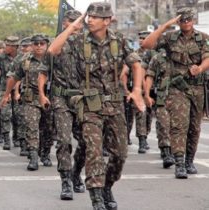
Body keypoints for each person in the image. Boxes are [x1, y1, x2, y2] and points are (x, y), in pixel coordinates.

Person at [48, 2, 145, 209]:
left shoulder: (118, 41)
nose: (90, 20)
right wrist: (73, 26)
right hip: (89, 106)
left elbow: (136, 65)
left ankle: (107, 186)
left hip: (115, 104)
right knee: (94, 150)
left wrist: (137, 90)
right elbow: (53, 50)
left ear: (107, 20)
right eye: (88, 16)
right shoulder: (78, 40)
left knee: (119, 154)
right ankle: (97, 197)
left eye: (95, 17)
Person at [142, 7, 209, 179]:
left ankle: (189, 162)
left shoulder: (203, 38)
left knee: (194, 127)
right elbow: (147, 45)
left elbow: (208, 57)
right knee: (179, 125)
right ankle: (179, 163)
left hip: (198, 88)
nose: (186, 22)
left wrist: (200, 68)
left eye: (188, 19)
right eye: (182, 20)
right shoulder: (170, 38)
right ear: (178, 21)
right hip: (177, 88)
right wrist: (164, 26)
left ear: (193, 20)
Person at [38, 9, 86, 201]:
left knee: (86, 142)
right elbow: (43, 72)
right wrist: (42, 94)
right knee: (64, 141)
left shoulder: (88, 45)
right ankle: (66, 180)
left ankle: (76, 173)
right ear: (65, 23)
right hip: (61, 99)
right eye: (71, 22)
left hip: (83, 100)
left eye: (78, 22)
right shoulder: (56, 45)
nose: (76, 26)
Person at [0, 34, 50, 171]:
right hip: (31, 98)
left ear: (47, 44)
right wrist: (6, 95)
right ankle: (33, 157)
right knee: (31, 126)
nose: (39, 46)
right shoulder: (23, 60)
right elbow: (14, 77)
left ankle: (45, 153)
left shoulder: (54, 57)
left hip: (51, 99)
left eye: (42, 43)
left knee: (48, 128)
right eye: (36, 43)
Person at [144, 49, 175, 168]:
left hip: (181, 98)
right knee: (163, 124)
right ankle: (166, 152)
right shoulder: (158, 58)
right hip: (162, 97)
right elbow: (149, 76)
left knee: (178, 127)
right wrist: (146, 94)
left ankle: (177, 153)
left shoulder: (184, 56)